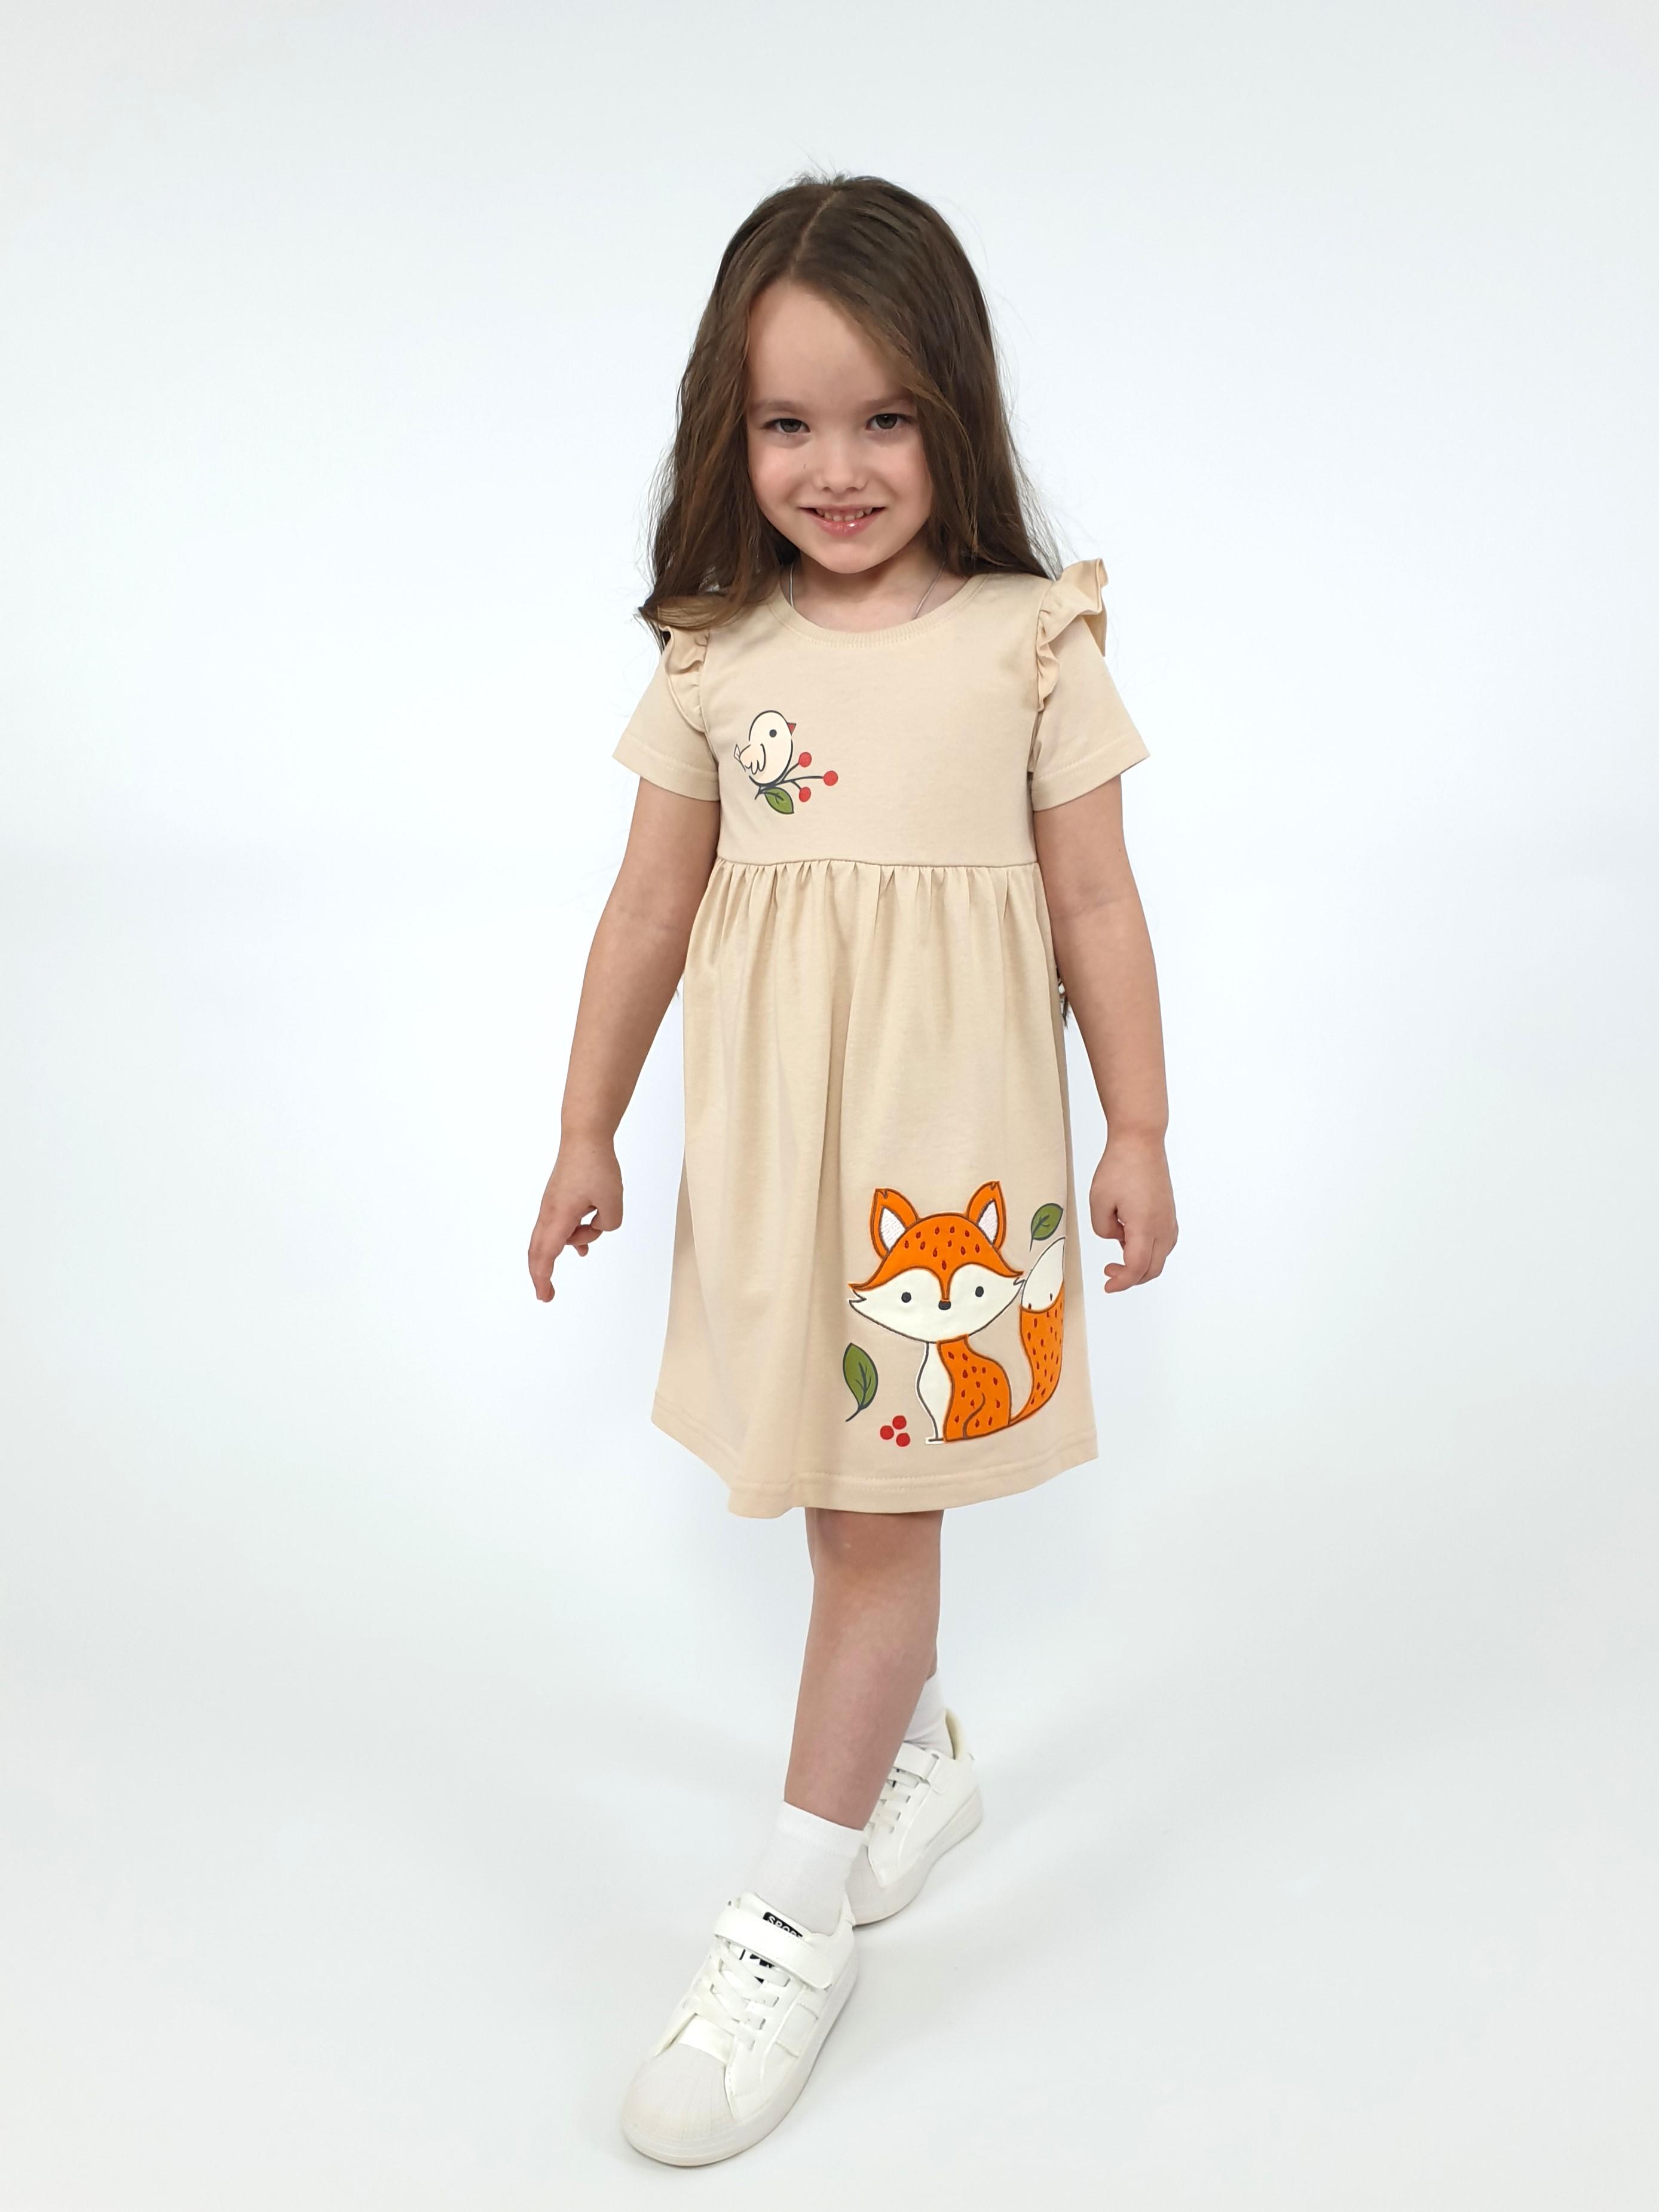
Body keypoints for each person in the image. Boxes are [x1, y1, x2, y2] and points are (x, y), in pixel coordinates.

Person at [527, 170, 1177, 2167]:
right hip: (784, 1168)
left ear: (954, 414)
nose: (838, 466)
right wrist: (584, 1127)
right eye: (789, 422)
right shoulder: (715, 656)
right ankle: (917, 1757)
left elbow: (1098, 902)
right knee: (837, 1505)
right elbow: (648, 911)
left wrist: (1140, 1125)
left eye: (886, 417)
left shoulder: (1028, 642)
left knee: (876, 1529)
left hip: (947, 1187)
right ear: (729, 436)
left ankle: (790, 1917)